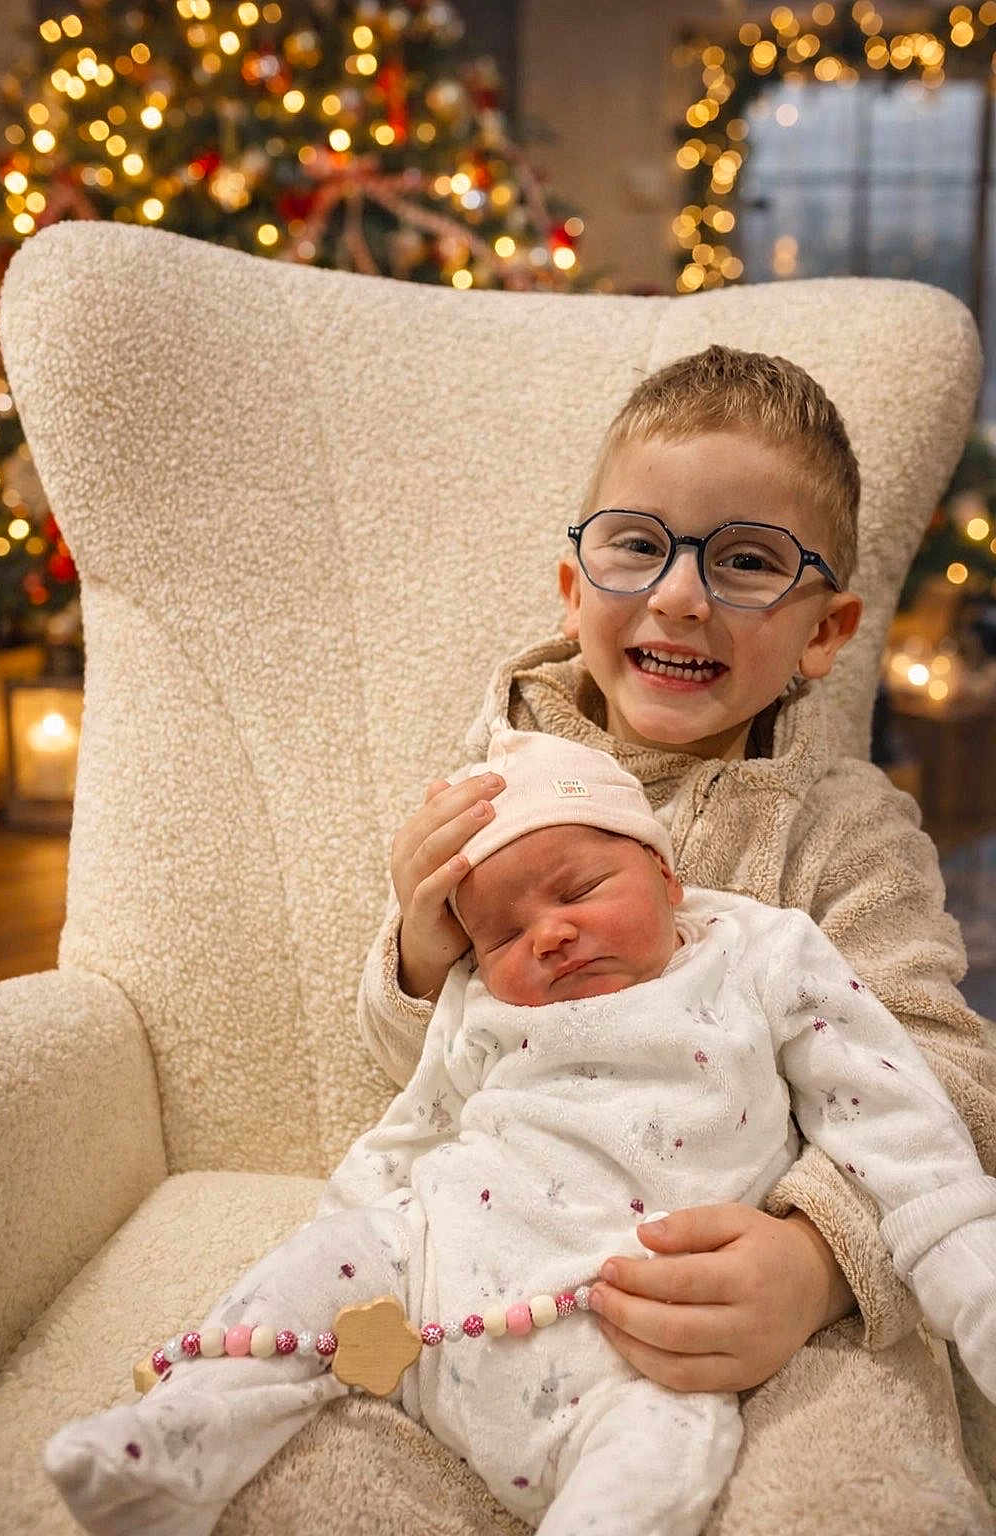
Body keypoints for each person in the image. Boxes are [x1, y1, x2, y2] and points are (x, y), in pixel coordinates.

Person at [42, 730, 996, 1536]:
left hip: (638, 1325)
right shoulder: (480, 996)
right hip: (441, 1275)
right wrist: (359, 1224)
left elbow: (895, 1112)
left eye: (581, 888)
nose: (545, 936)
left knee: (664, 1445)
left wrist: (959, 1268)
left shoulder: (761, 953)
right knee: (316, 1266)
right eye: (500, 936)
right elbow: (417, 1116)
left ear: (668, 876)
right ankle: (177, 1441)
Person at [358, 345, 996, 1533]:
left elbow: (944, 1076)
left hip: (755, 1292)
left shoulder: (846, 833)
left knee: (857, 1496)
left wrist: (813, 1262)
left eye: (747, 562)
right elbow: (416, 1077)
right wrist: (416, 948)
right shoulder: (490, 791)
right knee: (302, 1441)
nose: (681, 594)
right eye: (637, 545)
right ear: (571, 583)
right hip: (504, 1270)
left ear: (825, 631)